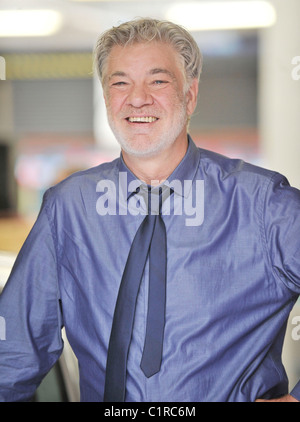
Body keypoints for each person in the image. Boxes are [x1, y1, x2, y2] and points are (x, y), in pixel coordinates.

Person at [0, 18, 299, 403]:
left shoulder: (263, 203)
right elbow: (13, 353)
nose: (137, 98)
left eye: (158, 81)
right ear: (107, 98)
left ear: (190, 96)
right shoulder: (69, 209)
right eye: (120, 82)